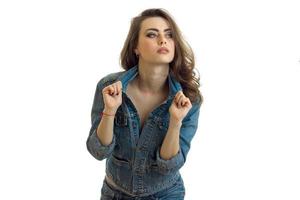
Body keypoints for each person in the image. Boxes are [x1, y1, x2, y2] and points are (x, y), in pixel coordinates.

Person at [86, 8, 203, 200]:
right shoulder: (108, 87)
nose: (163, 40)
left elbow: (169, 165)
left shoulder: (189, 98)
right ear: (136, 47)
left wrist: (175, 122)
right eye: (152, 34)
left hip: (166, 194)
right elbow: (98, 151)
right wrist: (110, 111)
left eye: (169, 35)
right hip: (114, 193)